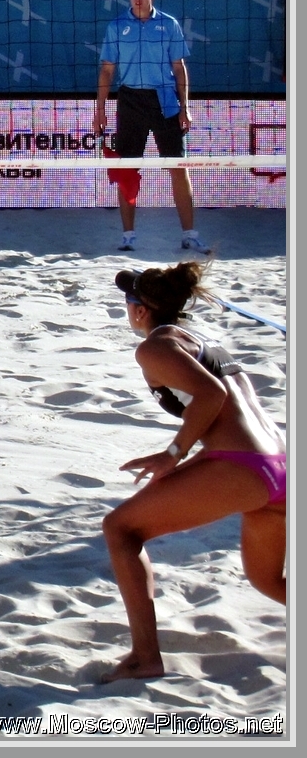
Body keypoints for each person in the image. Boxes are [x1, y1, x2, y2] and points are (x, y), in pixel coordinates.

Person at [99, 261, 285, 683]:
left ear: (140, 310)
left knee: (121, 531)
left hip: (245, 469)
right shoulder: (201, 340)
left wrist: (174, 453)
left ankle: (145, 658)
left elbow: (212, 394)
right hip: (281, 466)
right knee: (270, 580)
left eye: (128, 302)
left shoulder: (155, 347)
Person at [94, 0, 208, 253]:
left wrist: (186, 108)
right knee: (126, 170)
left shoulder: (168, 24)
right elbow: (107, 70)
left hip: (164, 100)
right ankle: (128, 236)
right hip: (131, 99)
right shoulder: (117, 26)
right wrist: (100, 111)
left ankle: (189, 234)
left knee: (177, 168)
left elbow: (179, 67)